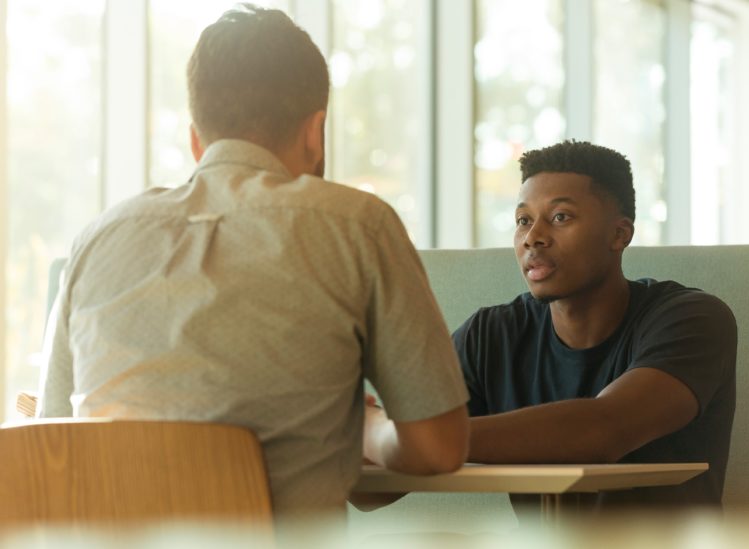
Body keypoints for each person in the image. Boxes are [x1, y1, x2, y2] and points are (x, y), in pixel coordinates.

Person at [37, 5, 469, 518]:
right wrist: (368, 429)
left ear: (197, 139)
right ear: (316, 132)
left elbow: (51, 443)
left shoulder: (96, 240)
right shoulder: (358, 225)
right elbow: (438, 448)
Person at [453, 140, 736, 507]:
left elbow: (602, 431)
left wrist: (414, 440)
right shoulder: (490, 335)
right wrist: (374, 435)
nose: (532, 237)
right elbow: (372, 491)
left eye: (560, 217)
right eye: (523, 220)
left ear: (619, 234)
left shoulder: (693, 320)